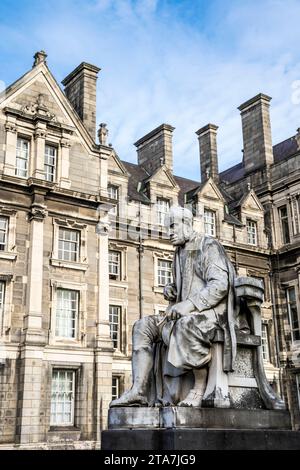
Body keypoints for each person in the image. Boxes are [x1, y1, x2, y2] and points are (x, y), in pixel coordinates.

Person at [110, 206, 238, 407]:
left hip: (212, 314)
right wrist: (172, 289)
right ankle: (139, 390)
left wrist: (189, 304)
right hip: (184, 314)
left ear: (187, 225)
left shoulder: (208, 245)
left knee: (186, 325)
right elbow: (185, 285)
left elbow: (220, 284)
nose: (168, 233)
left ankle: (199, 388)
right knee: (142, 326)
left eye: (172, 227)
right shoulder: (179, 253)